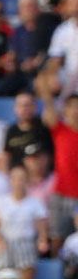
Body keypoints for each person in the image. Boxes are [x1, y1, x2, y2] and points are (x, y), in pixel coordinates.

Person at [0, 167, 50, 279]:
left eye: (22, 179)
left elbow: (41, 226)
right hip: (5, 245)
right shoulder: (1, 202)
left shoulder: (35, 203)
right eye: (15, 179)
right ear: (10, 181)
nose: (18, 182)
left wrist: (42, 240)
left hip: (25, 245)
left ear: (27, 181)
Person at [35, 75, 78, 254]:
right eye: (72, 107)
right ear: (65, 110)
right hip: (60, 194)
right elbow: (45, 95)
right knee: (56, 241)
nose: (76, 110)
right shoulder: (60, 130)